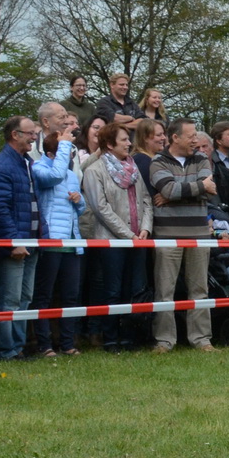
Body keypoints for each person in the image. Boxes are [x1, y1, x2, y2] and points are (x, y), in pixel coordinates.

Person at [80, 123, 153, 353]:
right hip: (110, 242)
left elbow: (146, 201)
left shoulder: (134, 168)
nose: (129, 143)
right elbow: (101, 209)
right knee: (112, 290)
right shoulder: (94, 171)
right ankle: (111, 339)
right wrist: (128, 234)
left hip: (138, 239)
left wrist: (145, 229)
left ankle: (130, 337)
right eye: (124, 140)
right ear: (110, 144)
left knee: (135, 289)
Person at [148, 118, 216, 353]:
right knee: (164, 290)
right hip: (167, 235)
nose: (196, 140)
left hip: (198, 234)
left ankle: (201, 339)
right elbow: (169, 189)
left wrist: (176, 193)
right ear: (175, 137)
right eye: (191, 136)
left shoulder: (202, 158)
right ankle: (164, 341)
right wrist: (196, 188)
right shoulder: (157, 162)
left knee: (200, 288)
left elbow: (209, 188)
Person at [0, 116, 41, 360]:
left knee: (25, 298)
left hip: (32, 242)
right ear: (15, 135)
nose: (34, 137)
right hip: (15, 245)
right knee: (9, 298)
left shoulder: (26, 163)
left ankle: (17, 347)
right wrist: (13, 242)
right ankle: (5, 350)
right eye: (29, 133)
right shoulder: (2, 166)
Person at [28, 114, 86, 356]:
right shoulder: (40, 167)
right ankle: (44, 345)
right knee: (44, 296)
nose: (70, 156)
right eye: (65, 151)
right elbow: (54, 176)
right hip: (51, 242)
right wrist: (63, 144)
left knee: (70, 296)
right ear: (52, 153)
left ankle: (67, 343)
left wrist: (79, 200)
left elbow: (80, 209)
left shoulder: (72, 175)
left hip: (72, 244)